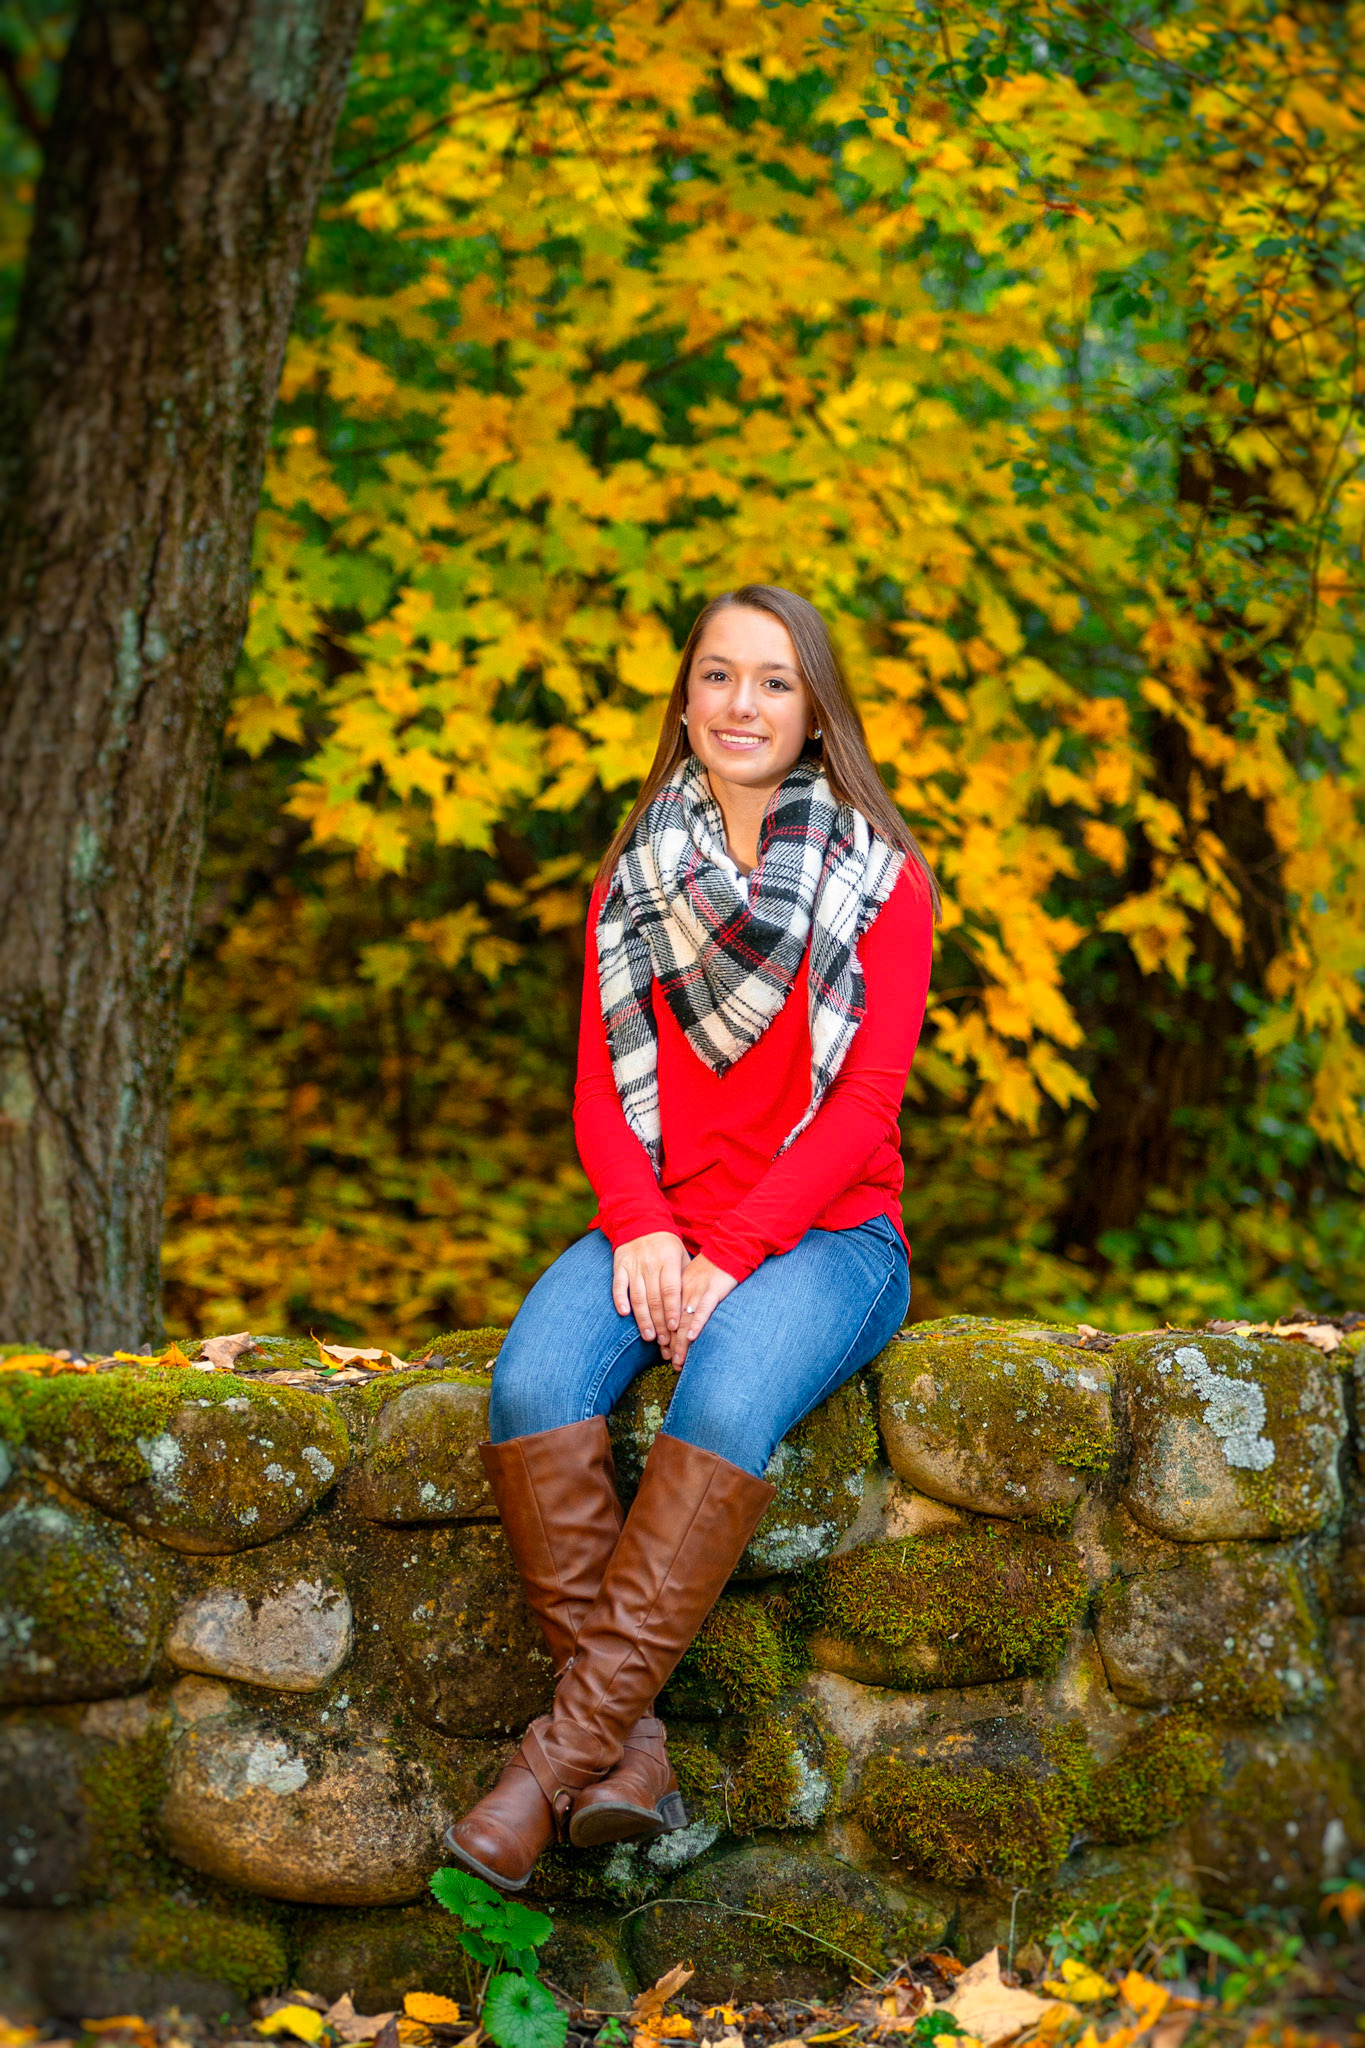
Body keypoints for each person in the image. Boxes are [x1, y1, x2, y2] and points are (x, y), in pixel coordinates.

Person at [442, 584, 938, 1890]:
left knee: (719, 1397)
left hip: (833, 1237)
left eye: (774, 681)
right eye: (717, 675)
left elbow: (862, 1111)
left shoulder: (883, 882)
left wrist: (732, 1253)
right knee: (531, 1384)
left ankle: (550, 1766)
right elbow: (599, 1090)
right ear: (683, 700)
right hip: (660, 1223)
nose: (741, 705)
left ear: (816, 712)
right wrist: (642, 1229)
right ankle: (633, 1754)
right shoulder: (634, 877)